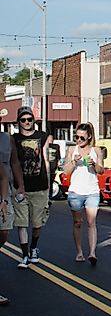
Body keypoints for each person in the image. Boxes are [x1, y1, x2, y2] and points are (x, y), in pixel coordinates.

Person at [12, 106, 53, 269]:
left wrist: (49, 183)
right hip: (20, 187)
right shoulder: (14, 139)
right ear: (18, 122)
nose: (27, 122)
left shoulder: (42, 137)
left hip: (40, 186)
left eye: (29, 119)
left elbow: (46, 159)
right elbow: (13, 162)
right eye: (23, 120)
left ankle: (34, 247)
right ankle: (24, 255)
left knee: (37, 223)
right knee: (22, 223)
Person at [64, 123, 103, 266]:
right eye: (76, 137)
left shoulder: (96, 150)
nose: (78, 140)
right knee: (78, 223)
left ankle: (92, 253)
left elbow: (101, 170)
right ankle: (79, 252)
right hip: (76, 192)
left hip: (92, 191)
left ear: (89, 137)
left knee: (92, 222)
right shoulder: (71, 150)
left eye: (82, 137)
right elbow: (66, 171)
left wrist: (94, 165)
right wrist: (74, 161)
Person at [0, 138, 17, 305]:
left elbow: (3, 177)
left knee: (4, 232)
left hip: (1, 198)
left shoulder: (6, 139)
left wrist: (4, 201)